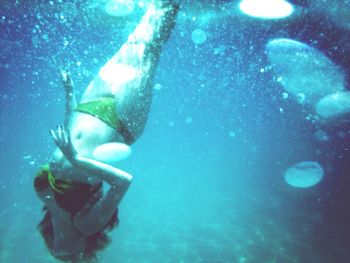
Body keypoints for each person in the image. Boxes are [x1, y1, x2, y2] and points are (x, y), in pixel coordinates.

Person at [33, 1, 179, 262]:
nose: (69, 258)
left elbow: (71, 133)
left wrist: (69, 95)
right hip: (122, 122)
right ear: (84, 250)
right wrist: (76, 159)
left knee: (133, 42)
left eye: (66, 258)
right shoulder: (88, 225)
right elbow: (123, 181)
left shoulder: (44, 193)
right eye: (76, 258)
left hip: (87, 105)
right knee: (148, 45)